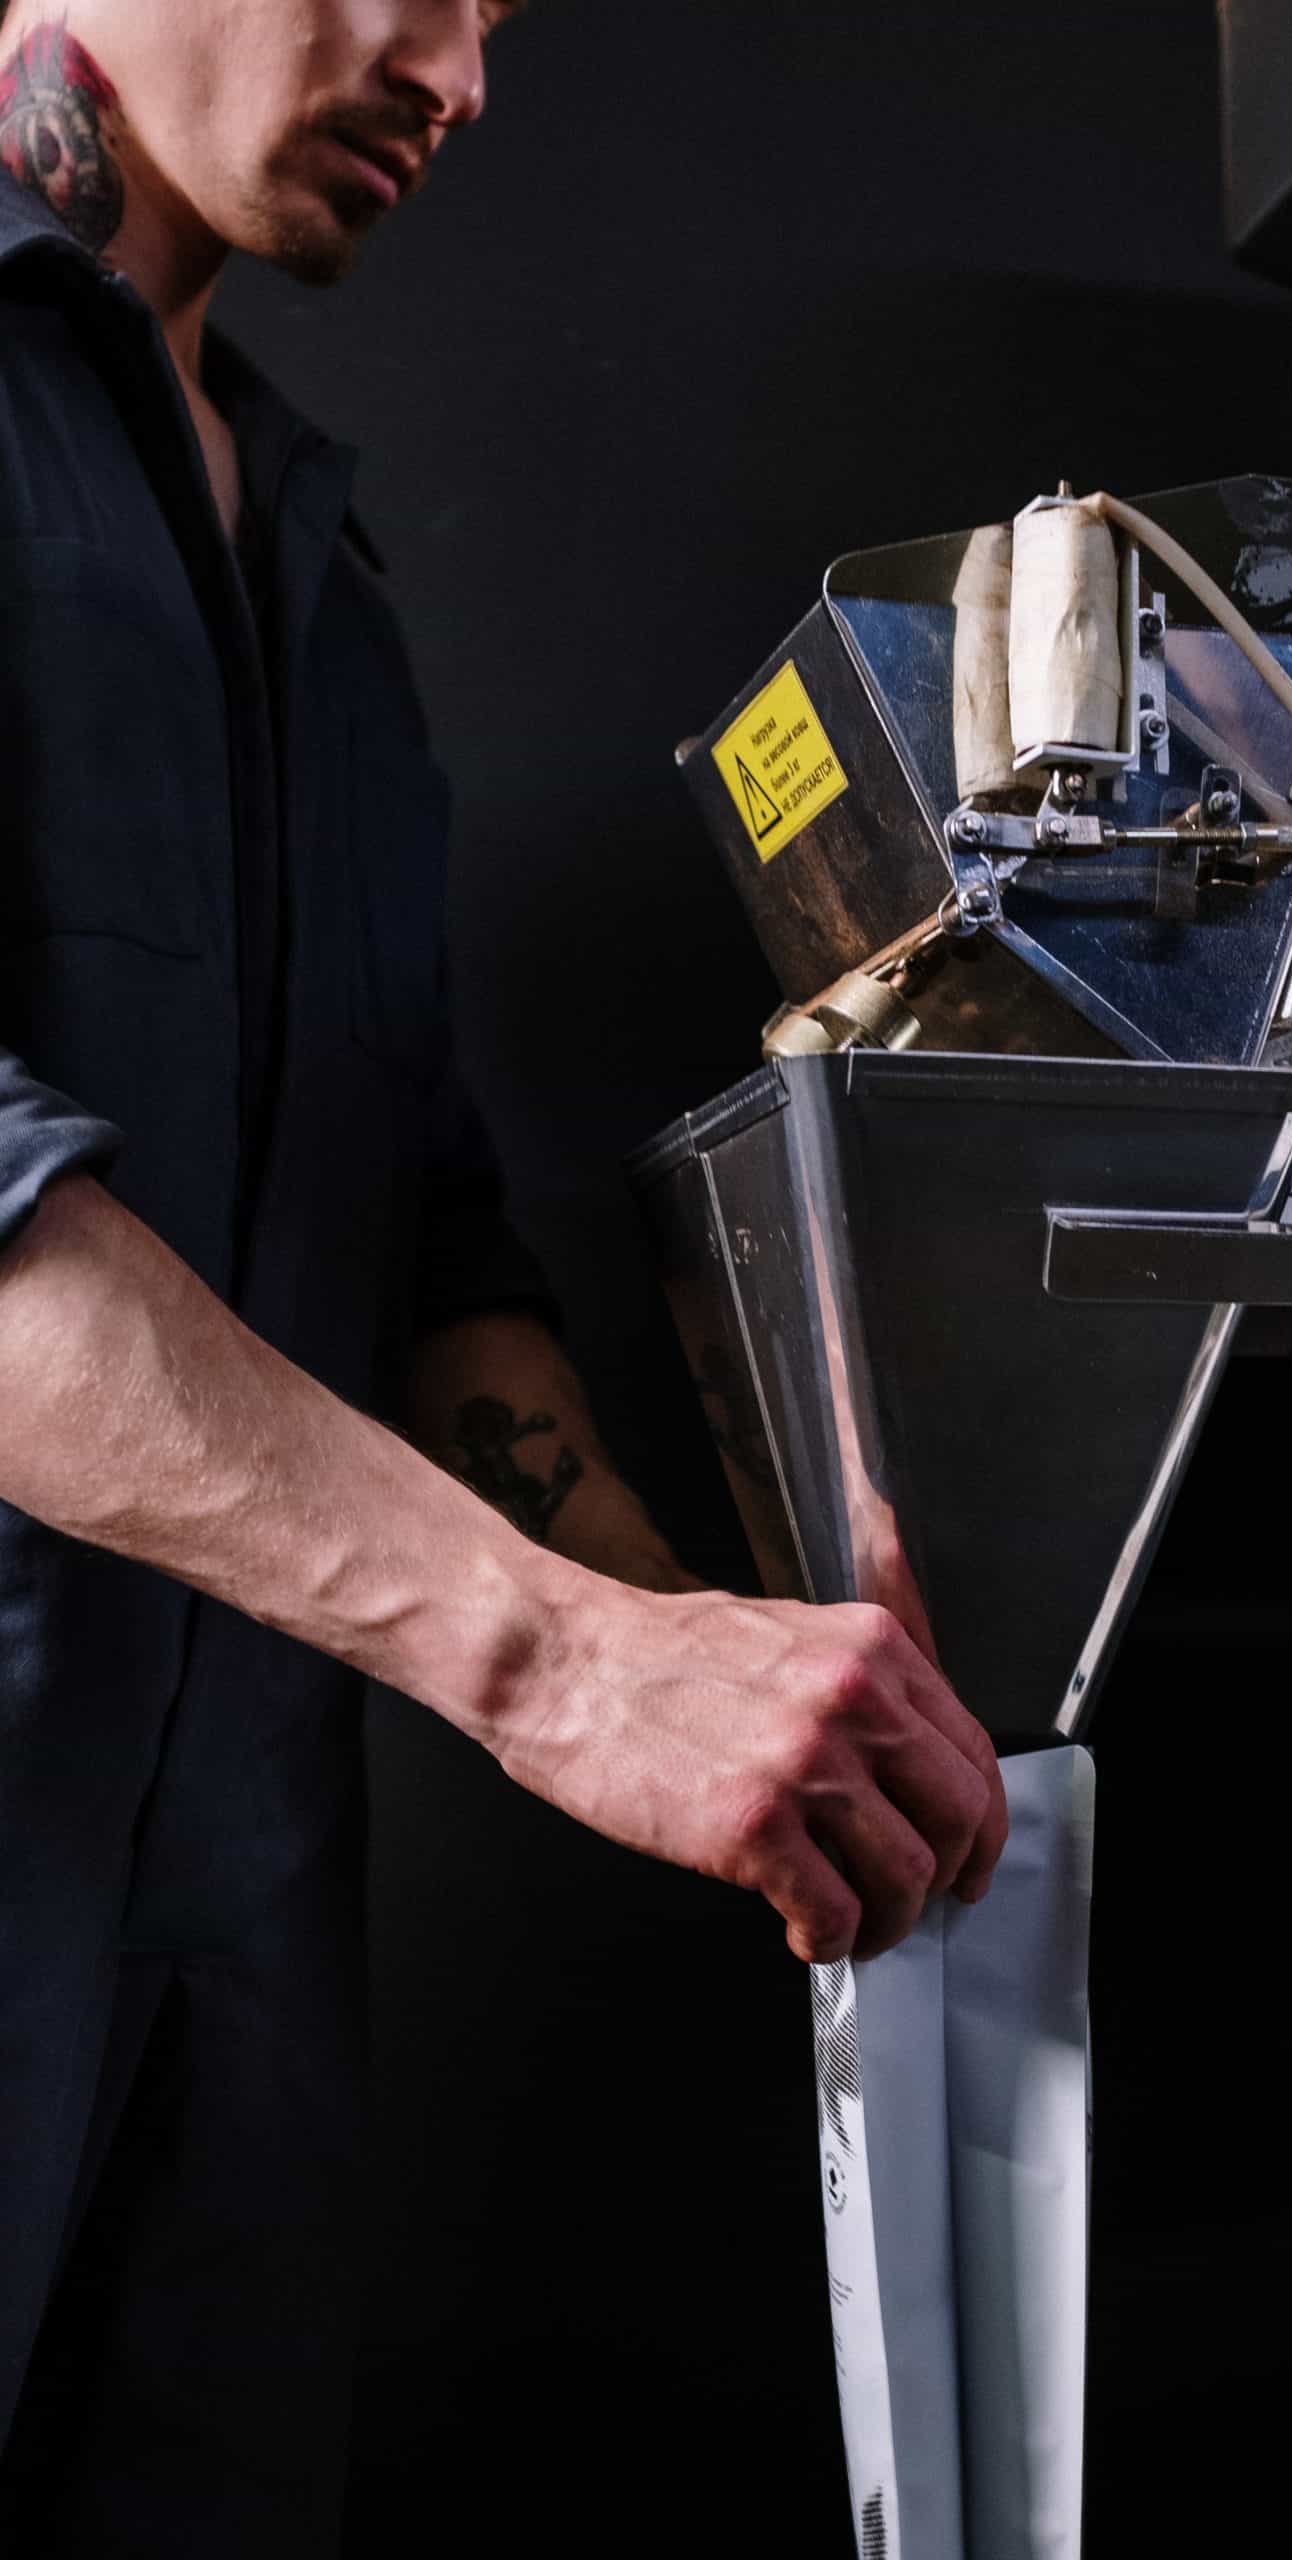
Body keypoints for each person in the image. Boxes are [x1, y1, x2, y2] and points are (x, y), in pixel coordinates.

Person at [0, 4, 1007, 2547]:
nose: (461, 76)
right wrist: (560, 1664)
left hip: (235, 1950)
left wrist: (708, 1650)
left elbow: (418, 1213)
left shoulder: (319, 567)